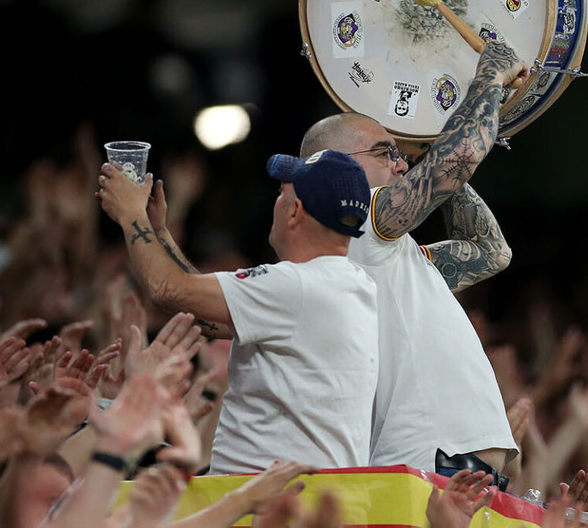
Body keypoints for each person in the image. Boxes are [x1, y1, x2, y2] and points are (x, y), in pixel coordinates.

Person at [297, 40, 527, 475]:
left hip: (449, 464)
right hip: (431, 463)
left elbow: (491, 253)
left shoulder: (385, 254)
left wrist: (430, 157)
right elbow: (460, 155)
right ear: (335, 167)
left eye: (402, 155)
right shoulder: (355, 219)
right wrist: (489, 76)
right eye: (387, 153)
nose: (401, 165)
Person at [96, 149, 378, 473]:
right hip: (305, 498)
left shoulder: (296, 286)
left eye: (281, 195)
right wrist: (159, 234)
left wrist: (130, 214)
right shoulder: (353, 284)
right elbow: (204, 309)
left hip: (270, 505)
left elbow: (165, 288)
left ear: (294, 212)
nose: (276, 202)